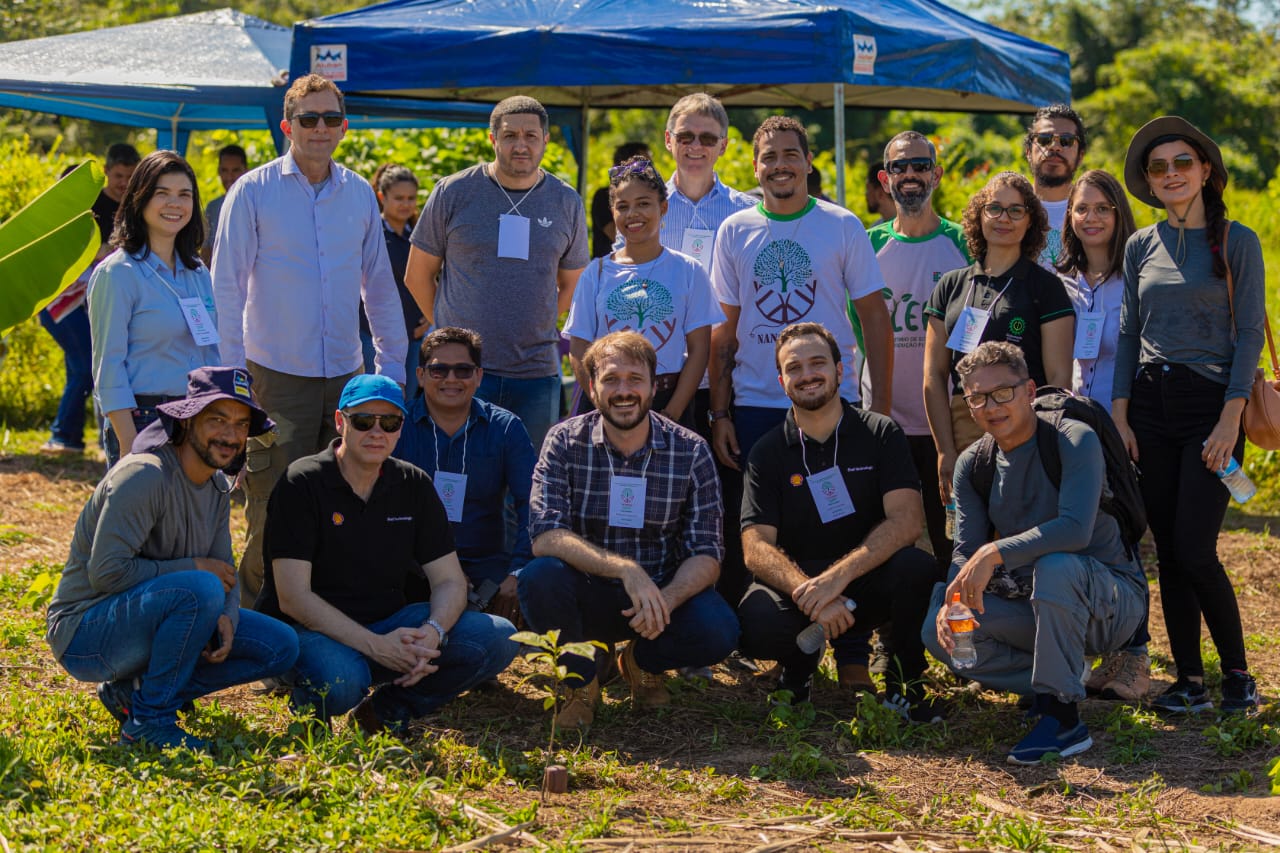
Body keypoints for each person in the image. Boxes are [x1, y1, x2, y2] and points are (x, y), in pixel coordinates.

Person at [212, 73, 408, 608]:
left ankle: (321, 623)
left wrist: (390, 373)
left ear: (344, 127)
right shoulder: (251, 193)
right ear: (287, 126)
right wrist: (233, 382)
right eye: (308, 119)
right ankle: (259, 628)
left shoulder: (360, 196)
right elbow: (224, 291)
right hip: (274, 376)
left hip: (346, 377)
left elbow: (380, 287)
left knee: (339, 507)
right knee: (274, 508)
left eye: (330, 118)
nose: (319, 128)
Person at [45, 367, 298, 750]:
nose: (230, 436)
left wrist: (228, 614)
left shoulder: (215, 485)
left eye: (241, 424)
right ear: (188, 420)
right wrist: (194, 570)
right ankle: (149, 722)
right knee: (200, 587)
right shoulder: (144, 475)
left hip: (154, 616)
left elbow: (223, 568)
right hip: (86, 633)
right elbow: (106, 574)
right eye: (217, 420)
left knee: (280, 645)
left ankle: (134, 694)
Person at [256, 374, 519, 733]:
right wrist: (377, 647)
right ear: (340, 422)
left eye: (390, 422)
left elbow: (449, 580)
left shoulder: (413, 484)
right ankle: (309, 708)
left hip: (390, 625)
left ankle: (386, 711)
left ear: (401, 428)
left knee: (498, 636)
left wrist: (433, 630)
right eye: (363, 420)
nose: (376, 431)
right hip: (309, 631)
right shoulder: (301, 483)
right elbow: (293, 598)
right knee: (342, 682)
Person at [924, 342, 1147, 764]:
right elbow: (965, 552)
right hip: (1039, 604)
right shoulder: (974, 464)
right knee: (941, 629)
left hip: (1112, 604)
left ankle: (1062, 717)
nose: (992, 406)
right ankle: (1058, 675)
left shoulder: (1072, 438)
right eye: (978, 397)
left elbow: (1075, 530)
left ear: (1028, 391)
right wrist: (954, 600)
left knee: (1056, 565)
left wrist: (995, 552)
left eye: (1003, 392)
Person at [1112, 116, 1266, 714]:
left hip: (1212, 405)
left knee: (1198, 548)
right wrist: (1122, 418)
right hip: (1150, 408)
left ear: (1205, 170)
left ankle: (1237, 676)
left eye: (1182, 162)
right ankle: (1189, 683)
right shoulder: (1138, 245)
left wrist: (1230, 421)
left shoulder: (1236, 241)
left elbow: (1249, 332)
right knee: (1169, 551)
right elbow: (1129, 335)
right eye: (1158, 167)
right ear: (1149, 182)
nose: (1171, 174)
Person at [518, 332, 739, 729]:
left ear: (655, 386)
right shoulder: (564, 441)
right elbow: (546, 535)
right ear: (591, 387)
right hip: (587, 593)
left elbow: (706, 552)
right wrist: (625, 570)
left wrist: (666, 600)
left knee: (719, 629)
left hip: (656, 602)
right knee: (539, 578)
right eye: (611, 379)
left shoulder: (690, 449)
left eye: (635, 379)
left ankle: (640, 663)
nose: (624, 391)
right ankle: (579, 682)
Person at [737, 323, 941, 717]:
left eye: (817, 363)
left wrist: (836, 579)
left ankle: (906, 685)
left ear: (840, 370)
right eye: (794, 368)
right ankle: (796, 676)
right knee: (758, 619)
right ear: (781, 381)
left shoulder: (880, 433)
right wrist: (810, 594)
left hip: (864, 581)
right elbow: (755, 546)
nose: (807, 375)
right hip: (801, 587)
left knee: (917, 567)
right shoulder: (767, 452)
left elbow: (908, 521)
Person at [405, 95, 589, 453]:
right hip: (461, 372)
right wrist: (448, 337)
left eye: (531, 136)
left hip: (536, 372)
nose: (521, 145)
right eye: (510, 135)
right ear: (492, 139)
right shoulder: (454, 191)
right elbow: (417, 275)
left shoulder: (565, 201)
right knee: (455, 477)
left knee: (527, 483)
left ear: (545, 140)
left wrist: (541, 320)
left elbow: (572, 282)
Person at [922, 171, 1074, 526]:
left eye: (1015, 211)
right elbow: (933, 375)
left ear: (1031, 222)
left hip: (1025, 428)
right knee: (967, 533)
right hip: (963, 425)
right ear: (979, 215)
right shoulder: (951, 285)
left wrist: (1041, 447)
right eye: (994, 208)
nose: (1003, 218)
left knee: (1021, 532)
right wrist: (945, 450)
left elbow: (1057, 380)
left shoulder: (1046, 287)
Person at [1054, 169, 1149, 702]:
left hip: (1122, 427)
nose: (1091, 218)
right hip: (1070, 428)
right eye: (1081, 208)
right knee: (1090, 534)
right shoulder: (1057, 278)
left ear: (1119, 215)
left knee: (1128, 538)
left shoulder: (1134, 278)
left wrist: (1125, 419)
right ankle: (1105, 650)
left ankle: (1136, 656)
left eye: (1102, 208)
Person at [862, 131, 971, 571]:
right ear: (885, 179)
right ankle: (894, 636)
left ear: (937, 175)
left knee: (954, 536)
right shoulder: (867, 245)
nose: (910, 174)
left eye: (920, 166)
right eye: (900, 167)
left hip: (951, 422)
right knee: (889, 536)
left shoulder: (965, 243)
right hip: (886, 421)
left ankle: (962, 629)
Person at [565, 157, 723, 428]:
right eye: (622, 206)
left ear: (663, 208)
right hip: (607, 400)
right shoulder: (596, 272)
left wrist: (671, 414)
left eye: (643, 204)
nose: (632, 214)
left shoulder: (688, 271)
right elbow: (578, 346)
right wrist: (600, 400)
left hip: (669, 400)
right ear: (613, 213)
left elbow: (699, 350)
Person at [392, 327, 535, 626]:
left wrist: (518, 572)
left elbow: (532, 505)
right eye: (439, 370)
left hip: (486, 569)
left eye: (463, 370)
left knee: (543, 573)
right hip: (413, 567)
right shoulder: (397, 428)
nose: (451, 379)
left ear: (479, 376)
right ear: (420, 375)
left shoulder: (506, 428)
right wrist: (434, 571)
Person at [88, 150, 220, 468]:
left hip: (196, 418)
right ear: (140, 199)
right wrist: (129, 443)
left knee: (190, 519)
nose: (175, 204)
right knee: (145, 518)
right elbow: (108, 366)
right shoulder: (117, 273)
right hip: (143, 419)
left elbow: (210, 352)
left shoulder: (198, 273)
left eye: (184, 195)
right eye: (162, 194)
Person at [359, 164, 427, 398]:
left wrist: (430, 318)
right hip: (372, 335)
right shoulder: (371, 233)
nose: (405, 204)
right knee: (375, 399)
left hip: (412, 336)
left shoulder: (419, 235)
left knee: (404, 402)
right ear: (382, 196)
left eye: (411, 198)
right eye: (398, 198)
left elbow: (434, 278)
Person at [1023, 104, 1087, 270]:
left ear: (1080, 156)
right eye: (1044, 139)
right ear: (1028, 152)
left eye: (1066, 141)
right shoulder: (1008, 209)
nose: (1054, 147)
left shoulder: (1095, 213)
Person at [591, 141, 651, 258]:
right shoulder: (604, 197)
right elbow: (623, 236)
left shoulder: (651, 197)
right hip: (610, 270)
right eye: (644, 164)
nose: (650, 169)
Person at [200, 144, 249, 265]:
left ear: (246, 170)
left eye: (235, 170)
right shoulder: (213, 207)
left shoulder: (257, 204)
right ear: (218, 171)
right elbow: (206, 252)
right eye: (224, 170)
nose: (229, 177)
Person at [864, 161, 896, 225]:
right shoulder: (875, 227)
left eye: (868, 189)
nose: (865, 194)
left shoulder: (908, 228)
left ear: (880, 193)